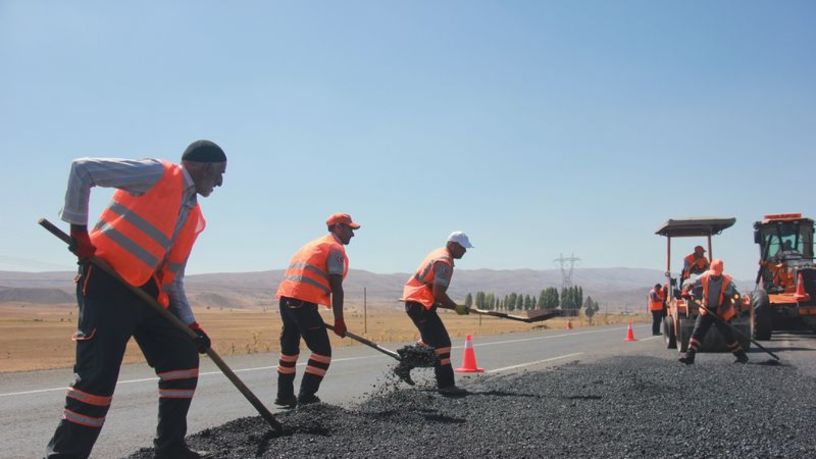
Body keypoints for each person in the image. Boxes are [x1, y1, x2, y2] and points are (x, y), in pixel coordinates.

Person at [46, 140, 227, 459]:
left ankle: (170, 447)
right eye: (219, 174)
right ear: (206, 168)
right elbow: (83, 169)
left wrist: (190, 324)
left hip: (147, 294)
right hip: (108, 282)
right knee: (97, 378)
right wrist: (79, 232)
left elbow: (174, 276)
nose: (220, 182)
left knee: (182, 357)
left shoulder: (191, 211)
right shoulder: (157, 173)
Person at [274, 213, 359, 407]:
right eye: (350, 229)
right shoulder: (334, 248)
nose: (352, 235)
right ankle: (307, 398)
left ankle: (284, 395)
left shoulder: (312, 245)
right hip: (302, 302)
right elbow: (336, 287)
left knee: (289, 350)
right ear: (338, 227)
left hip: (287, 300)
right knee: (322, 352)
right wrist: (339, 320)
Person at [402, 231, 473, 396]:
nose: (465, 251)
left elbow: (434, 291)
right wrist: (456, 307)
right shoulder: (444, 261)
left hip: (418, 302)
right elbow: (438, 293)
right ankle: (446, 385)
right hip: (420, 304)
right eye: (463, 248)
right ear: (453, 245)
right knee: (442, 344)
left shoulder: (438, 253)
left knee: (429, 342)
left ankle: (405, 365)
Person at [679, 259, 749, 365]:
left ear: (721, 272)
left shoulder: (726, 281)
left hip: (722, 310)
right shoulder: (705, 276)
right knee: (697, 332)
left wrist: (720, 313)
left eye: (717, 274)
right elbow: (691, 284)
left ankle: (741, 356)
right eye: (713, 274)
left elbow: (726, 300)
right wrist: (685, 291)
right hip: (706, 309)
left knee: (727, 335)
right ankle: (689, 357)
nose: (715, 276)